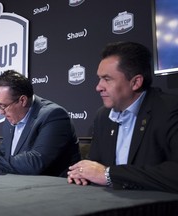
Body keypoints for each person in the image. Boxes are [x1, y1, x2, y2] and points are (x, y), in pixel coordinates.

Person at [67, 41, 178, 193]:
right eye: (99, 78)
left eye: (107, 79)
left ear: (135, 82)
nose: (98, 87)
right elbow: (95, 164)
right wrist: (83, 174)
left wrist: (109, 175)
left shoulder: (170, 110)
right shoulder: (103, 116)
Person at [0, 70, 80, 177]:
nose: (0, 112)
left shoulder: (53, 116)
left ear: (22, 100)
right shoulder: (12, 116)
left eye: (3, 106)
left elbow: (36, 161)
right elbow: (4, 153)